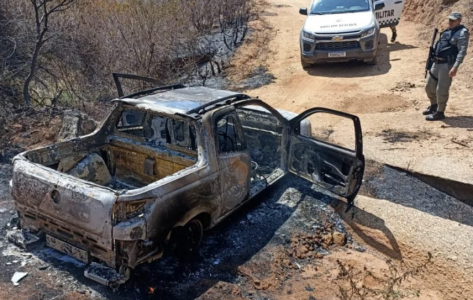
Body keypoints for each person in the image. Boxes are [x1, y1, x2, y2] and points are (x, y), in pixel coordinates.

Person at [423, 12, 469, 121]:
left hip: (447, 65)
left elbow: (462, 52)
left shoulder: (462, 33)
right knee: (429, 86)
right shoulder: (447, 31)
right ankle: (434, 105)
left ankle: (440, 112)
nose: (450, 22)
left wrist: (455, 67)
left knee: (441, 90)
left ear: (459, 21)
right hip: (436, 63)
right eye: (450, 20)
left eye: (453, 20)